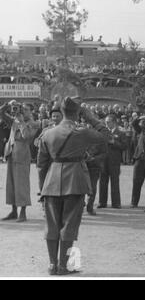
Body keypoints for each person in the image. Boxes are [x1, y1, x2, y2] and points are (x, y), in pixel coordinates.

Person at [37, 97, 110, 275]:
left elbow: (41, 166)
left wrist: (42, 189)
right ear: (78, 112)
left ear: (61, 112)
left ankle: (52, 265)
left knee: (52, 224)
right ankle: (63, 265)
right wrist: (91, 117)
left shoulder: (47, 133)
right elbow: (107, 136)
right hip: (75, 181)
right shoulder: (82, 132)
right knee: (69, 224)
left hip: (51, 182)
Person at [1, 101, 39, 222]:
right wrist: (8, 104)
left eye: (26, 109)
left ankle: (23, 212)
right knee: (11, 183)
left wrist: (21, 121)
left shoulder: (34, 123)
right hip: (11, 153)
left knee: (22, 184)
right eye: (22, 109)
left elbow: (26, 136)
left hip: (22, 154)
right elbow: (0, 113)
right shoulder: (15, 120)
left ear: (32, 111)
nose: (22, 111)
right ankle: (13, 211)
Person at [98, 115, 127, 209]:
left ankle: (116, 203)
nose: (106, 124)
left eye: (108, 122)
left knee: (114, 182)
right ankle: (102, 202)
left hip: (114, 161)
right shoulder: (103, 132)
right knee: (102, 182)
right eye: (105, 122)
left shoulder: (121, 132)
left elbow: (124, 146)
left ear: (114, 122)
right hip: (103, 161)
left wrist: (114, 142)